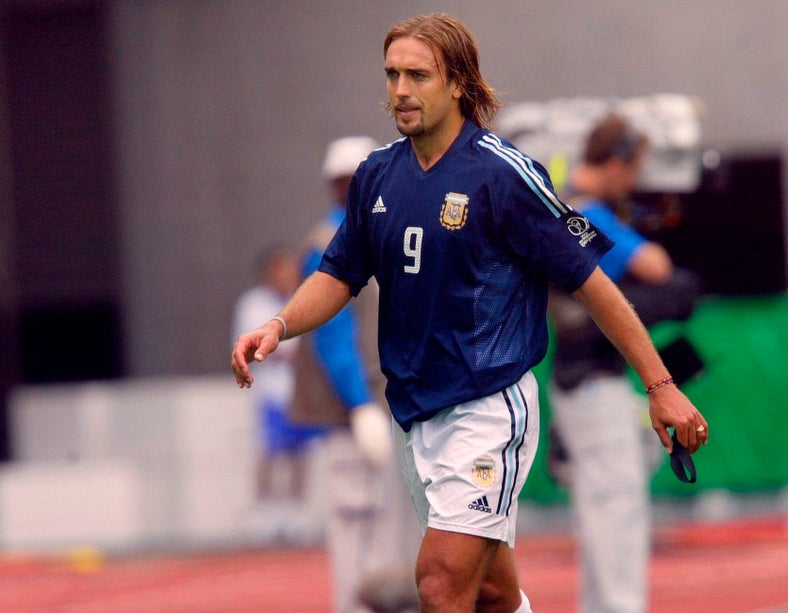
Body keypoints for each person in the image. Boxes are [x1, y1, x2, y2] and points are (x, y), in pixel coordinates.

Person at [231, 13, 709, 613]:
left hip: (488, 407)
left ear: (458, 83)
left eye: (418, 75)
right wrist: (278, 326)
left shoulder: (505, 174)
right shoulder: (376, 176)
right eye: (392, 75)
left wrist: (660, 385)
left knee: (439, 582)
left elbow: (593, 283)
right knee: (490, 595)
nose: (400, 90)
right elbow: (337, 275)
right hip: (413, 412)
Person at [547, 115, 703, 613]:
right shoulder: (581, 210)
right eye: (634, 169)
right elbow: (654, 266)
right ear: (615, 163)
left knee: (606, 508)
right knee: (616, 508)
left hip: (586, 381)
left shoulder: (566, 203)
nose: (635, 181)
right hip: (589, 380)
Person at [289, 136, 420, 613]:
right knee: (359, 518)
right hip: (353, 414)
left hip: (388, 404)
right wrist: (360, 405)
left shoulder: (382, 232)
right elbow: (332, 334)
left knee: (392, 520)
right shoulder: (328, 243)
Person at [231, 244, 324, 545]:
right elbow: (254, 346)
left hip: (299, 391)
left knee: (301, 455)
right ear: (271, 271)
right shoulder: (254, 304)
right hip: (271, 392)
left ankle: (295, 511)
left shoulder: (300, 299)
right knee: (269, 454)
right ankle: (264, 512)